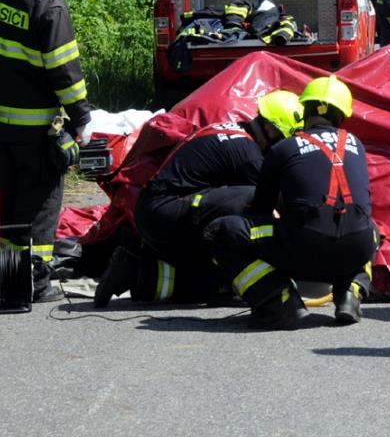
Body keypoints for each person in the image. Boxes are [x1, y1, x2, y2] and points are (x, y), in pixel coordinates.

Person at [0, 0, 97, 302]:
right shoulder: (49, 3)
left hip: (3, 123)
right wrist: (81, 115)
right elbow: (64, 68)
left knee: (11, 207)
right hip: (37, 127)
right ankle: (37, 285)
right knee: (41, 206)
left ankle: (12, 284)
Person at [94, 90, 302, 308]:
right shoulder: (246, 152)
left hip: (161, 212)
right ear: (269, 128)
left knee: (203, 289)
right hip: (164, 212)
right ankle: (137, 261)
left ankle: (135, 269)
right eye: (282, 139)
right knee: (252, 198)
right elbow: (278, 198)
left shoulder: (234, 132)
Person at [207, 75, 378, 329]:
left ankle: (279, 301)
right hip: (358, 248)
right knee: (369, 228)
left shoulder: (285, 148)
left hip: (305, 248)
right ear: (342, 116)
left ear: (305, 111)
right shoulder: (357, 145)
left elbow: (260, 208)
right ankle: (351, 290)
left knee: (222, 231)